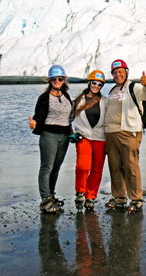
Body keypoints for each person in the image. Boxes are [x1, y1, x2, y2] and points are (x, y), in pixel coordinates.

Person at [104, 59, 146, 212]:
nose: (118, 74)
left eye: (120, 72)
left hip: (129, 132)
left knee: (131, 166)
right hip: (111, 134)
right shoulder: (112, 91)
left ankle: (136, 199)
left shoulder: (134, 87)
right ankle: (119, 198)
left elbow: (145, 95)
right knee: (115, 167)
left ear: (126, 72)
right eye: (115, 72)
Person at [29, 65, 74, 213]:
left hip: (64, 136)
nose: (57, 81)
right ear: (49, 80)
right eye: (54, 79)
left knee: (56, 167)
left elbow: (70, 116)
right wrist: (34, 124)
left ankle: (51, 195)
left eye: (60, 78)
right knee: (46, 167)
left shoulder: (65, 95)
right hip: (49, 135)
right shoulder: (44, 97)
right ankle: (45, 199)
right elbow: (39, 116)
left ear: (63, 80)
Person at [72, 70, 108, 210]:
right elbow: (66, 118)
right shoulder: (77, 101)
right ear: (89, 83)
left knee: (97, 170)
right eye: (94, 83)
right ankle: (80, 192)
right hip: (83, 137)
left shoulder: (105, 101)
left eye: (100, 84)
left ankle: (90, 197)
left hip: (100, 138)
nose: (96, 86)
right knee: (83, 166)